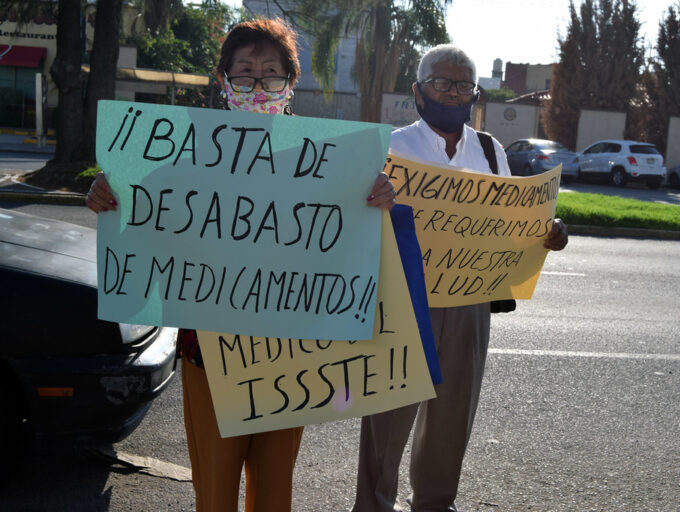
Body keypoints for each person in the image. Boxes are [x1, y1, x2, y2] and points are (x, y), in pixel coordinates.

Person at [85, 18, 396, 512]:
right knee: (215, 489)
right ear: (223, 79)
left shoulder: (324, 158)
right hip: (209, 347)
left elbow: (354, 237)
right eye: (244, 71)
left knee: (275, 490)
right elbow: (140, 209)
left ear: (290, 84)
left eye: (270, 73)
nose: (257, 85)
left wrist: (378, 194)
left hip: (288, 353)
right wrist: (108, 193)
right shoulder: (186, 151)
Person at [351, 45, 568, 512]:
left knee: (453, 411)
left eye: (463, 85)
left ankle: (434, 502)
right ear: (419, 90)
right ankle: (373, 505)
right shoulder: (389, 146)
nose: (453, 93)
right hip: (401, 297)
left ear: (475, 94)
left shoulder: (490, 150)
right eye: (441, 83)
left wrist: (545, 235)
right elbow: (354, 220)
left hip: (469, 300)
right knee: (387, 413)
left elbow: (510, 226)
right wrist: (372, 196)